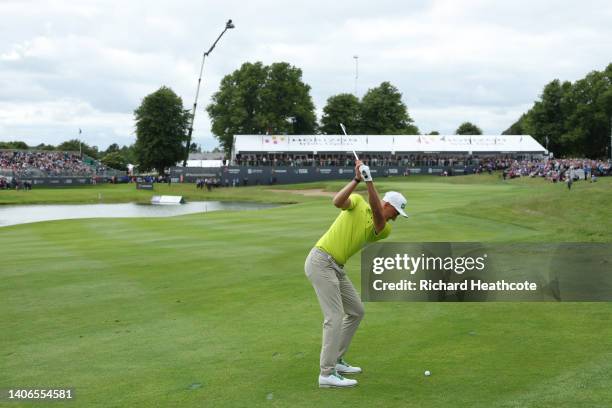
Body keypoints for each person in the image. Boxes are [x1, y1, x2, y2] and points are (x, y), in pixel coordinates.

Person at [304, 159, 408, 388]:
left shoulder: (385, 228)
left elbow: (378, 218)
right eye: (396, 212)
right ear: (388, 204)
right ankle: (326, 374)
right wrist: (357, 180)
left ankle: (336, 359)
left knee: (356, 311)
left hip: (336, 267)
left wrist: (369, 182)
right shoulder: (358, 202)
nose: (395, 217)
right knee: (334, 316)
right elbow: (337, 201)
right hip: (321, 260)